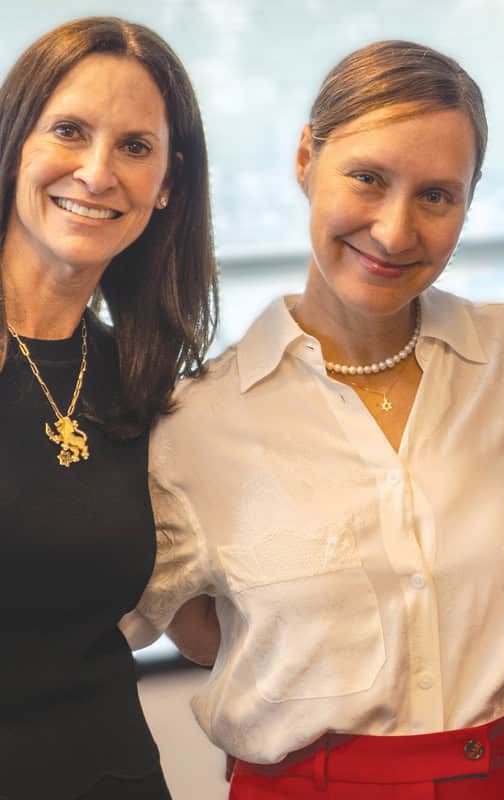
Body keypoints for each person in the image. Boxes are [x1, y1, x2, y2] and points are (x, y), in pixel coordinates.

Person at [127, 40, 504, 799]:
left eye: (437, 196)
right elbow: (159, 622)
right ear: (305, 159)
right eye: (367, 178)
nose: (393, 230)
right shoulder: (194, 423)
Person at [0, 16, 217, 800]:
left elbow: (200, 630)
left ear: (168, 187)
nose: (97, 173)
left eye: (135, 146)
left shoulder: (145, 381)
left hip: (111, 774)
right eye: (68, 130)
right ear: (13, 143)